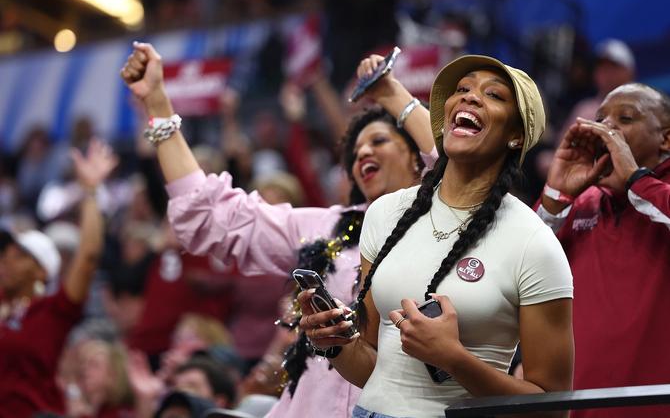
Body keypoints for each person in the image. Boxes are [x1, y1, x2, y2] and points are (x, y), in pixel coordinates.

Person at [120, 41, 437, 417]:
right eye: (354, 153)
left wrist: (391, 93)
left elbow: (456, 165)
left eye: (379, 141)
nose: (363, 153)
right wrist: (158, 104)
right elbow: (212, 216)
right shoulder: (325, 225)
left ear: (416, 156)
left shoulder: (443, 220)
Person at [299, 55, 575, 418]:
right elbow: (374, 368)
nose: (470, 97)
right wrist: (334, 344)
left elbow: (552, 409)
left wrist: (454, 359)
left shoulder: (534, 244)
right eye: (462, 89)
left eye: (493, 95)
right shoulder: (386, 213)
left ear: (516, 136)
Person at [536, 83, 670, 418]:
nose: (605, 127)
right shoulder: (580, 204)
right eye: (600, 118)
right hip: (578, 408)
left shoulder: (660, 197)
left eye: (625, 118)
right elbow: (521, 263)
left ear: (665, 139)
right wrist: (556, 193)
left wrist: (637, 180)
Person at [0, 139, 117, 417]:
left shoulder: (52, 311)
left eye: (20, 256)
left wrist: (91, 191)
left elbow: (88, 256)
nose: (6, 261)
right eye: (5, 255)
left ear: (42, 271)